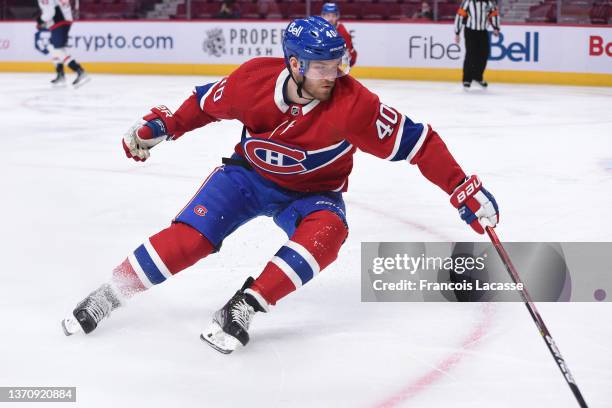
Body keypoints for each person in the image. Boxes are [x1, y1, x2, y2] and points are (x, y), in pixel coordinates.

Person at [61, 17, 499, 354]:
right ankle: (110, 293)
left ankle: (245, 305)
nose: (334, 74)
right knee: (189, 240)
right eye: (323, 66)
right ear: (295, 64)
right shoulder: (252, 81)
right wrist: (165, 127)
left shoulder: (355, 106)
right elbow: (204, 104)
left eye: (339, 63)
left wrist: (462, 187)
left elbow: (420, 143)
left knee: (328, 235)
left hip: (314, 194)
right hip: (247, 178)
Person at [36, 0, 88, 87]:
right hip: (62, 20)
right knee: (52, 47)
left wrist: (40, 20)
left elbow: (50, 12)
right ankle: (61, 74)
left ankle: (80, 71)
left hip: (59, 21)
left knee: (58, 50)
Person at [454, 0, 500, 89]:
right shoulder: (468, 2)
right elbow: (459, 16)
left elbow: (494, 14)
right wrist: (457, 32)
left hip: (483, 32)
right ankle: (467, 79)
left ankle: (478, 77)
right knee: (471, 54)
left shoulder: (488, 3)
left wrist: (496, 27)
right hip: (470, 31)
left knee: (484, 54)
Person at [320, 3, 357, 67]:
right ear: (323, 16)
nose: (331, 19)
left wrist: (349, 64)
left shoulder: (342, 32)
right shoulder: (316, 28)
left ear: (337, 16)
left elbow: (352, 53)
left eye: (333, 16)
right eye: (328, 15)